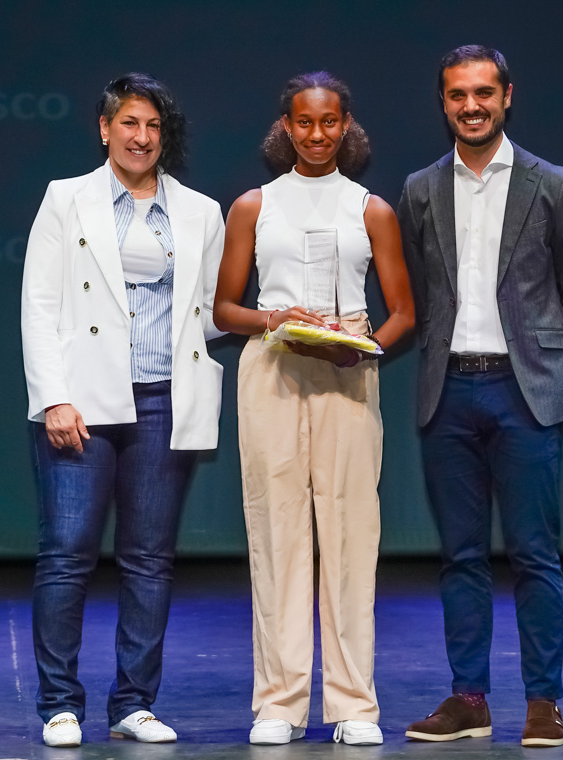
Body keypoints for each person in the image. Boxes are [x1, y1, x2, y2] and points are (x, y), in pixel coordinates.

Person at [397, 45, 563, 748]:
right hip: (448, 392)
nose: (472, 105)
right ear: (444, 103)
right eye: (458, 95)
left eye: (484, 92)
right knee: (460, 556)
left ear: (508, 96)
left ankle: (543, 701)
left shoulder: (553, 184)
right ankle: (469, 698)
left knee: (534, 555)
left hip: (523, 396)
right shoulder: (422, 189)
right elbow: (418, 293)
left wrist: (541, 360)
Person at [20, 73, 226, 748]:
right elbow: (40, 305)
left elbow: (211, 313)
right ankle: (60, 704)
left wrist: (283, 320)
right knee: (68, 554)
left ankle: (134, 702)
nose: (141, 138)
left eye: (153, 127)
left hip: (165, 398)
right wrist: (53, 396)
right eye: (129, 124)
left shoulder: (199, 211)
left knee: (148, 559)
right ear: (105, 129)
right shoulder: (67, 200)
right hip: (82, 400)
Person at [213, 71, 414, 747]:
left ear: (347, 124)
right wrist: (272, 316)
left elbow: (403, 313)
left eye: (329, 122)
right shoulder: (252, 206)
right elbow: (223, 308)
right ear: (286, 126)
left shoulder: (371, 209)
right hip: (272, 362)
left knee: (352, 533)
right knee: (276, 532)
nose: (317, 133)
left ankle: (355, 705)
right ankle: (279, 702)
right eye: (304, 122)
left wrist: (363, 349)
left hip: (347, 371)